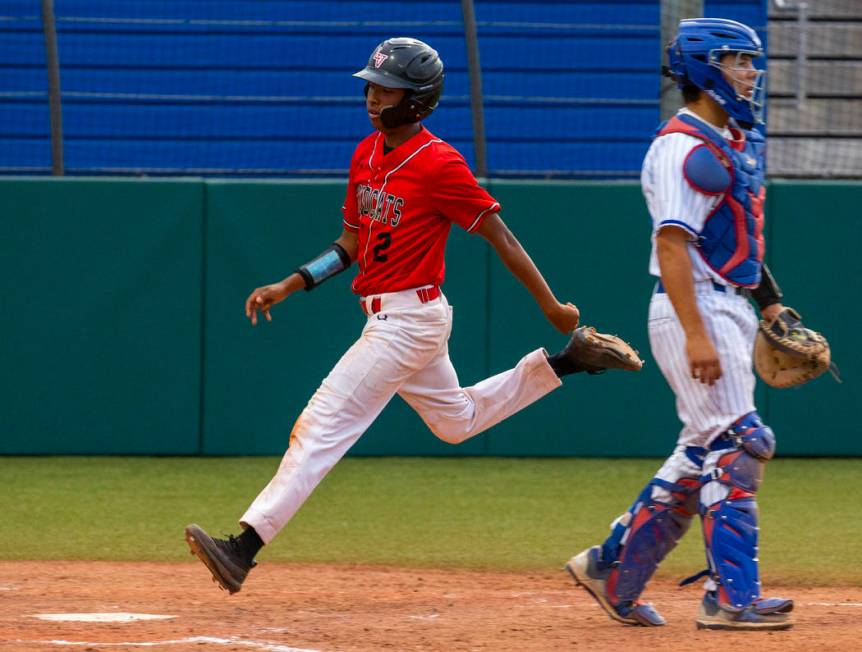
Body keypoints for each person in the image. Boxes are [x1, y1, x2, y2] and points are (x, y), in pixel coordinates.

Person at [185, 37, 643, 595]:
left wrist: (551, 305)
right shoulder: (366, 154)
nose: (374, 99)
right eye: (372, 88)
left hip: (408, 320)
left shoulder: (438, 162)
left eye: (388, 90)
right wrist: (292, 283)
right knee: (456, 422)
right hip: (395, 319)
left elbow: (499, 234)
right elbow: (350, 242)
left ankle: (243, 549)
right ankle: (567, 363)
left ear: (419, 100)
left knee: (321, 425)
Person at [566, 18, 796, 631]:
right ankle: (730, 598)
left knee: (700, 455)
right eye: (735, 61)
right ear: (702, 69)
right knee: (742, 443)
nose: (749, 72)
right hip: (693, 305)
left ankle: (613, 570)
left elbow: (734, 239)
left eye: (751, 61)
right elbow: (673, 245)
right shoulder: (681, 147)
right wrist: (697, 333)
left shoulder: (728, 140)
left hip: (726, 303)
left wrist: (770, 305)